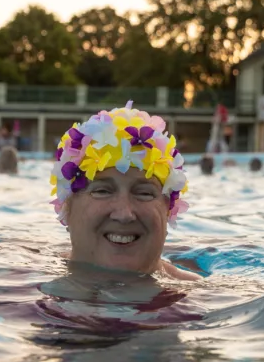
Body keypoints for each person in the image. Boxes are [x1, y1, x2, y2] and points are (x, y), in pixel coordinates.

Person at [49, 101, 199, 280]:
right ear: (67, 208)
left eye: (144, 193)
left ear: (168, 210)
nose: (124, 214)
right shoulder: (22, 280)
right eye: (102, 191)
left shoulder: (200, 298)